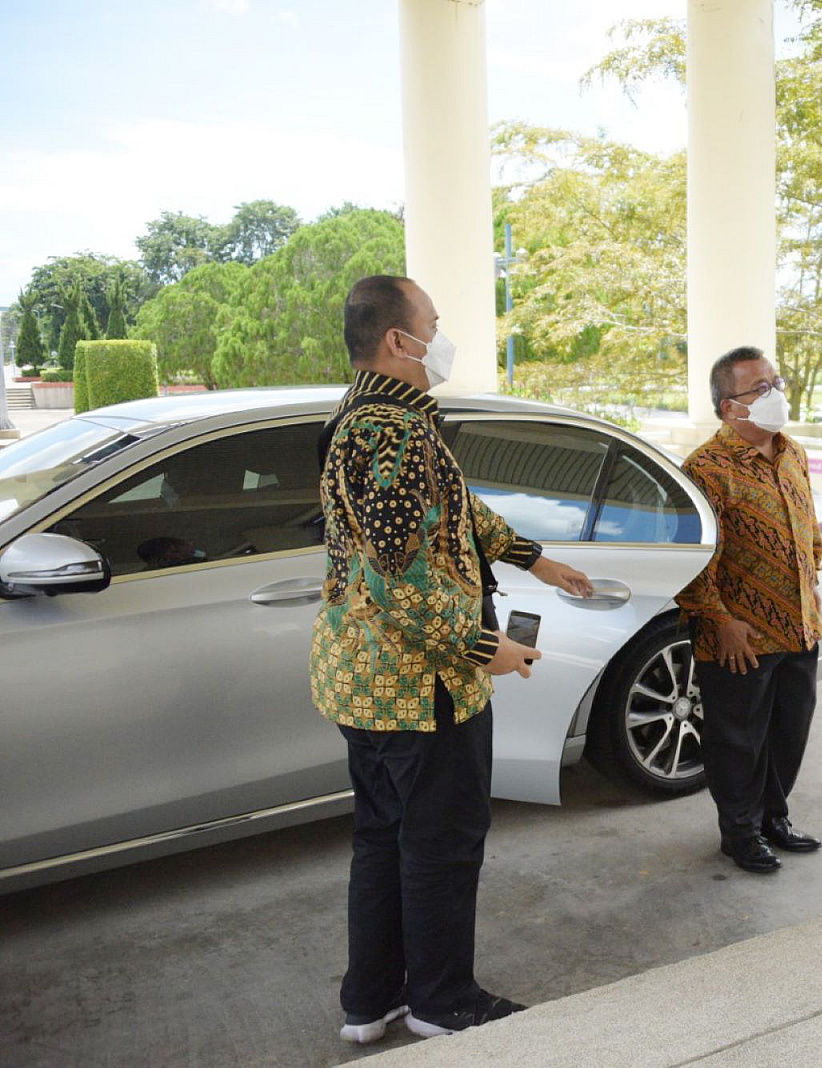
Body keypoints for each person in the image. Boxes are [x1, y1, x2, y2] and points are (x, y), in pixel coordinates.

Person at [312, 275, 593, 1044]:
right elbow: (398, 576)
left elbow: (453, 509)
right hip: (418, 682)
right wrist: (483, 647)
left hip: (362, 679)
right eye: (433, 324)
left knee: (382, 837)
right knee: (441, 839)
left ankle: (370, 1002)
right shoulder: (392, 434)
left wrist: (535, 559)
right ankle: (442, 999)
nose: (443, 337)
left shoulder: (370, 417)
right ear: (399, 340)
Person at [678, 347, 822, 875]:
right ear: (728, 407)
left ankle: (773, 819)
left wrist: (811, 580)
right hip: (740, 637)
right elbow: (692, 560)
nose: (775, 394)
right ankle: (739, 834)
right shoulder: (704, 469)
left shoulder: (792, 453)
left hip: (799, 626)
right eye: (760, 388)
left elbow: (807, 527)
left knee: (789, 734)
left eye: (775, 382)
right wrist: (720, 622)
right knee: (737, 743)